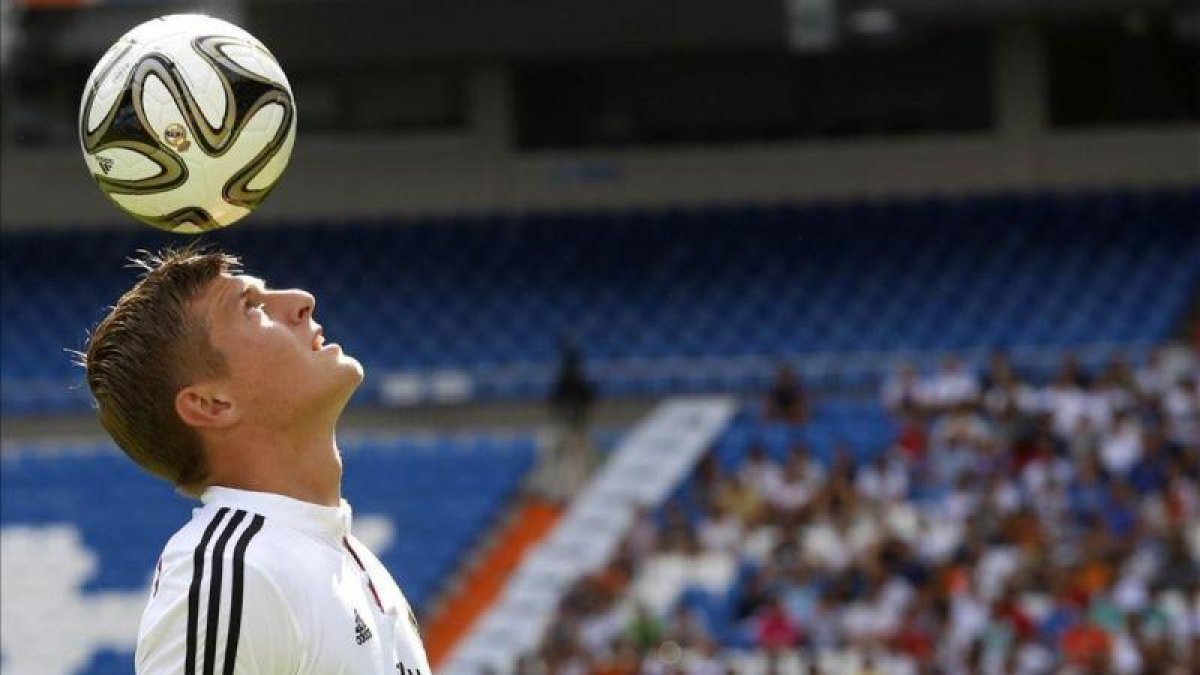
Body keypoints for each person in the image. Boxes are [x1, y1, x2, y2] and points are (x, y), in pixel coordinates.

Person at [81, 247, 429, 674]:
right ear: (212, 404)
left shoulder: (341, 554)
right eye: (252, 308)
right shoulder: (229, 571)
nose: (301, 300)